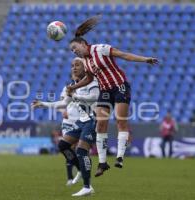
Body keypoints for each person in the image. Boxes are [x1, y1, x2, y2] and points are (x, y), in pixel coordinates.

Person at [66, 16, 159, 177]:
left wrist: (145, 59)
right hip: (105, 90)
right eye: (72, 51)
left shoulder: (100, 49)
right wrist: (73, 86)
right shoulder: (85, 61)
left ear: (82, 43)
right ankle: (102, 163)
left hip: (120, 86)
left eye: (75, 48)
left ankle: (120, 157)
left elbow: (124, 55)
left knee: (120, 121)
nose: (74, 52)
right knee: (100, 125)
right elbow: (89, 78)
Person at [32, 57, 99, 196]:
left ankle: (87, 186)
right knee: (62, 145)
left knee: (81, 150)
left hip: (92, 120)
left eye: (77, 65)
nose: (74, 67)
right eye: (72, 65)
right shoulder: (73, 84)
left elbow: (94, 96)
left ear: (85, 67)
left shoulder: (91, 80)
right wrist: (43, 104)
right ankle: (80, 169)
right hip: (82, 122)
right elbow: (63, 104)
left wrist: (75, 95)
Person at [58, 84, 81, 186]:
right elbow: (61, 103)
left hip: (81, 121)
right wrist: (63, 111)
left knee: (80, 149)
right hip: (68, 122)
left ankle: (82, 174)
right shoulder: (67, 87)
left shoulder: (88, 86)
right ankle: (70, 177)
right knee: (68, 148)